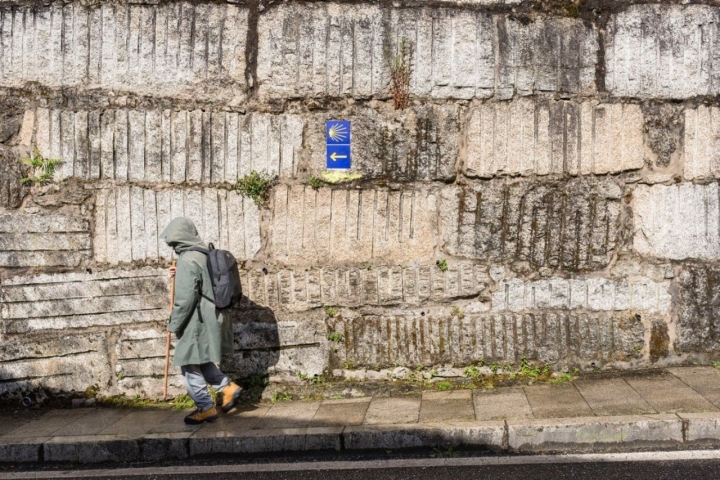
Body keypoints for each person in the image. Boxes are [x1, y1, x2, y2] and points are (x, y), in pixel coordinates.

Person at [159, 217, 241, 424]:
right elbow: (202, 279)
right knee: (200, 359)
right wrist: (180, 274)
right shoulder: (203, 253)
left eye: (174, 243)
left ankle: (205, 407)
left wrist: (174, 324)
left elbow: (185, 299)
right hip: (212, 316)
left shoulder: (188, 259)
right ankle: (227, 387)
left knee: (187, 362)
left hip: (197, 320)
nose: (173, 247)